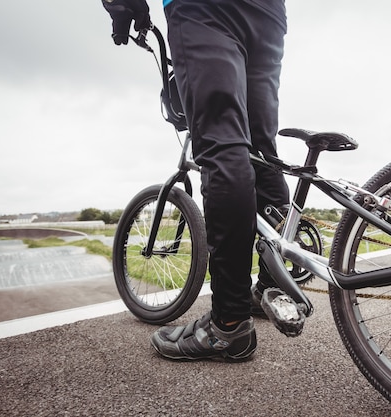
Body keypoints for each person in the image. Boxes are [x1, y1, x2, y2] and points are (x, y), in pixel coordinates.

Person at [102, 0, 290, 361]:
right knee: (261, 148)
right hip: (268, 13)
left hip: (206, 9)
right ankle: (270, 286)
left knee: (222, 143)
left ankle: (228, 325)